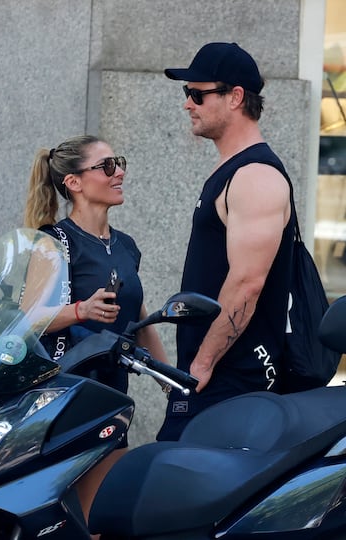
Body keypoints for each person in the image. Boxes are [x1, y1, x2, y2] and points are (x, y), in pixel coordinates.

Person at [23, 134, 168, 537]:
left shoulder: (127, 246)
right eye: (106, 166)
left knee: (101, 520)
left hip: (113, 400)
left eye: (118, 163)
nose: (119, 172)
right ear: (74, 182)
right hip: (66, 401)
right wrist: (79, 311)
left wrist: (171, 379)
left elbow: (138, 317)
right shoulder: (52, 242)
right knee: (74, 522)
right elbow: (27, 319)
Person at [157, 42, 296, 442]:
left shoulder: (255, 175)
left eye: (197, 94)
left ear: (235, 97)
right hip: (214, 381)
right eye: (187, 94)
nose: (188, 104)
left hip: (231, 383)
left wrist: (201, 365)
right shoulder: (233, 169)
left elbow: (247, 283)